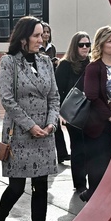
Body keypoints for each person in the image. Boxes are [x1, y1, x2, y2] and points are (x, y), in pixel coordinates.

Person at [0, 16, 60, 221]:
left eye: (43, 35)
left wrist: (51, 124)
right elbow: (7, 99)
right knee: (17, 188)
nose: (42, 39)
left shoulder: (46, 62)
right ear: (23, 38)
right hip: (19, 132)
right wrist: (30, 125)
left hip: (45, 134)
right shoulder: (9, 63)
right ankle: (0, 217)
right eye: (37, 35)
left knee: (41, 187)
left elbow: (54, 97)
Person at [79, 25, 111, 202]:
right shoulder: (94, 67)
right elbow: (92, 95)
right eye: (109, 41)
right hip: (100, 126)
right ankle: (94, 200)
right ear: (101, 44)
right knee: (99, 169)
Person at [56, 31, 91, 194]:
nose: (85, 48)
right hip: (73, 113)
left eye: (87, 44)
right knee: (78, 147)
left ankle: (92, 180)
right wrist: (61, 113)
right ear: (74, 46)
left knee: (91, 147)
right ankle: (79, 183)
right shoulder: (65, 65)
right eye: (81, 44)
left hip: (91, 112)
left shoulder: (92, 63)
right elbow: (57, 90)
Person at [41, 22, 68, 163]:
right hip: (41, 89)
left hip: (52, 86)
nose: (46, 34)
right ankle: (56, 154)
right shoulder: (36, 48)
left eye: (48, 32)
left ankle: (62, 153)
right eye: (43, 32)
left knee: (55, 122)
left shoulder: (51, 48)